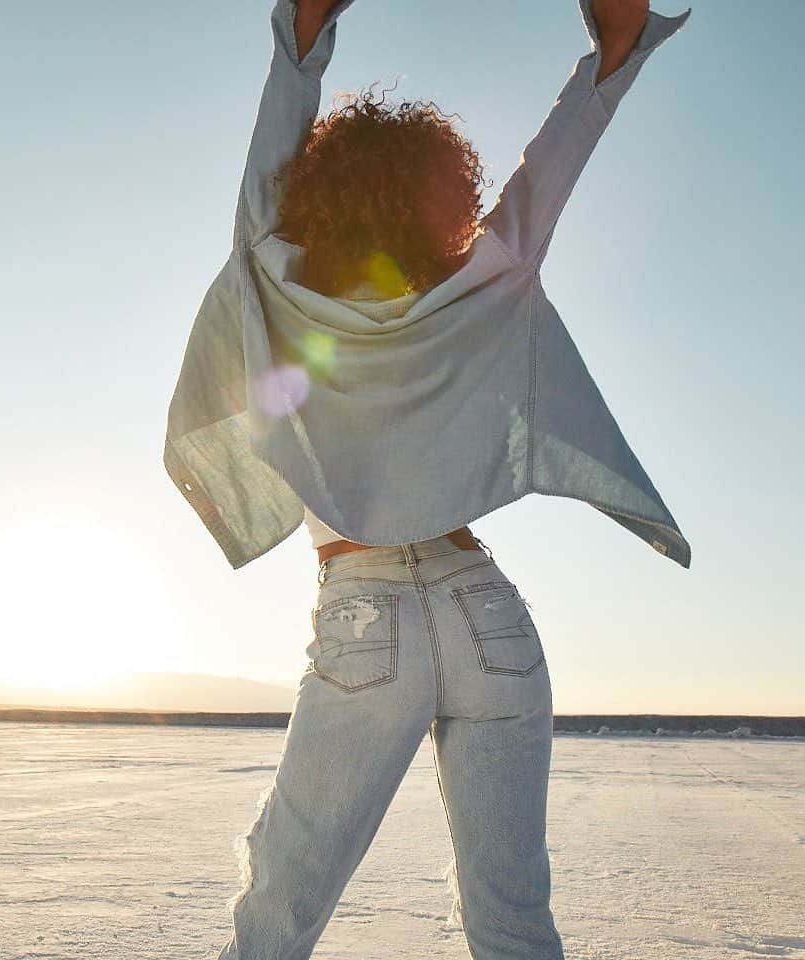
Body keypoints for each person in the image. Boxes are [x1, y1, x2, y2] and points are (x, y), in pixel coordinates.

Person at [163, 1, 693, 956]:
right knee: (513, 922)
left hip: (367, 618)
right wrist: (609, 59)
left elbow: (261, 172)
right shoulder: (479, 285)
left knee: (276, 918)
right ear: (440, 198)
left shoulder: (273, 279)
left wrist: (304, 38)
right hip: (491, 615)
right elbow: (546, 180)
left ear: (316, 189)